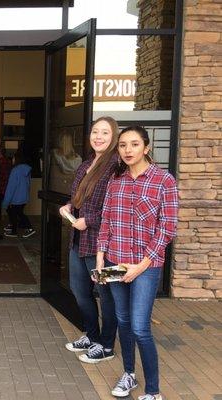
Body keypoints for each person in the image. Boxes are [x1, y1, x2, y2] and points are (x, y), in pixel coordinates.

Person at [97, 126, 178, 400]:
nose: (127, 150)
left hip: (146, 266)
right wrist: (100, 257)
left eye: (134, 144)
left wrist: (141, 266)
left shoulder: (163, 180)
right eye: (122, 145)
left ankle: (153, 391)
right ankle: (129, 374)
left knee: (140, 327)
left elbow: (167, 228)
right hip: (115, 262)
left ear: (146, 148)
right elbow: (106, 220)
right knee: (123, 320)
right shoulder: (115, 180)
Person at [59, 116, 120, 364]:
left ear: (113, 136)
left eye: (105, 133)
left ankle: (106, 346)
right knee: (79, 291)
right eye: (95, 131)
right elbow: (77, 199)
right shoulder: (86, 164)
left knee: (107, 296)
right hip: (78, 239)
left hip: (104, 245)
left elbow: (115, 205)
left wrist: (90, 220)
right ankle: (92, 336)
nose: (99, 137)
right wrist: (69, 207)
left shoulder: (116, 165)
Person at [2, 151, 35, 238]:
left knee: (16, 213)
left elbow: (11, 188)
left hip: (16, 198)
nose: (12, 159)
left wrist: (6, 202)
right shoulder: (27, 170)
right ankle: (15, 227)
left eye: (13, 158)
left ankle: (24, 229)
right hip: (24, 197)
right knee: (18, 213)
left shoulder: (15, 170)